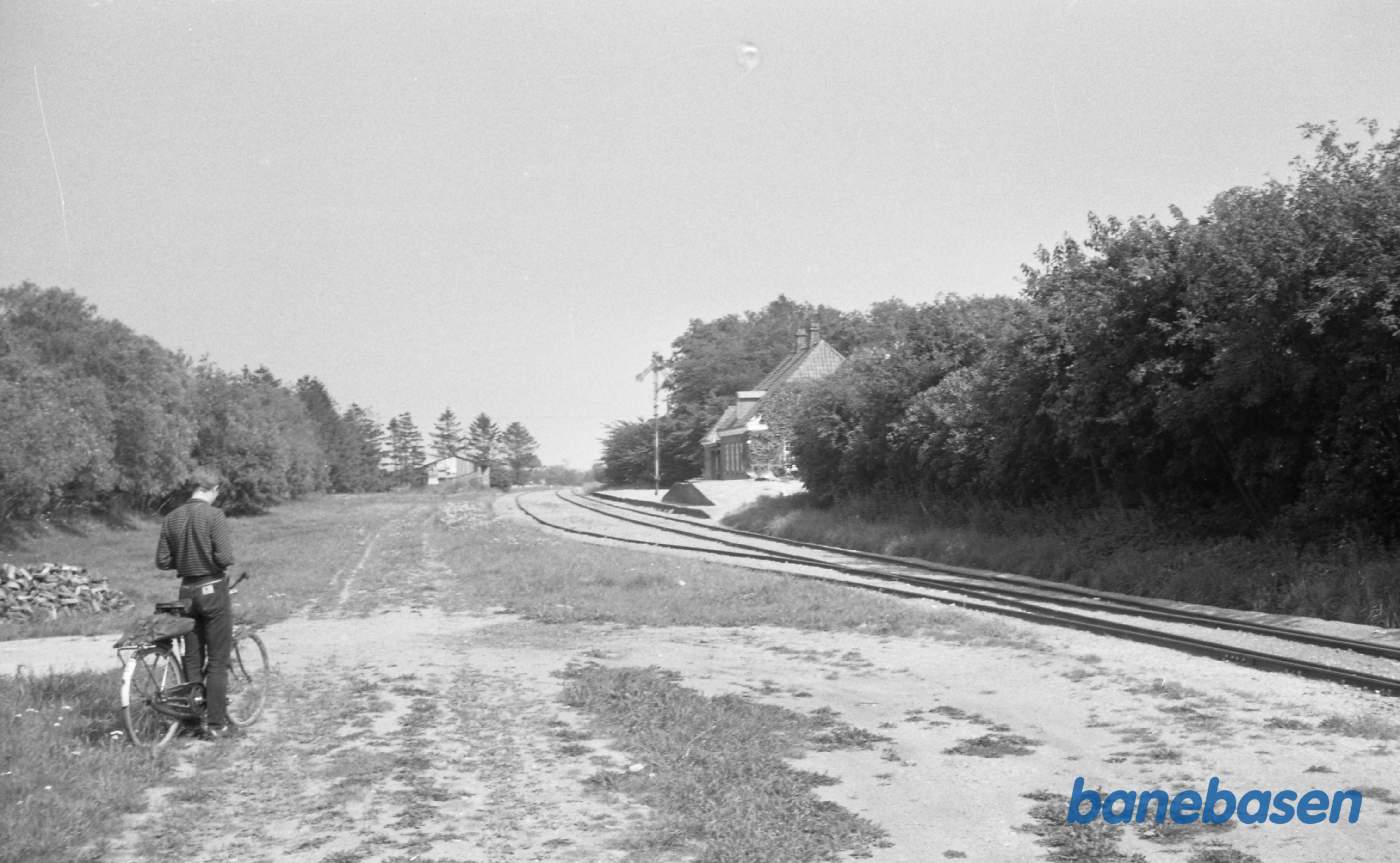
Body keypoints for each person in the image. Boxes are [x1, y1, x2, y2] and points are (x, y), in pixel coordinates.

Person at [156, 465, 237, 739]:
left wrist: (186, 556)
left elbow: (163, 561)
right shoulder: (214, 516)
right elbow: (225, 558)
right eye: (217, 493)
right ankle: (216, 726)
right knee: (217, 660)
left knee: (193, 657)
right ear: (213, 490)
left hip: (187, 593)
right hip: (213, 588)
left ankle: (192, 723)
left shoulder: (171, 518)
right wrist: (207, 557)